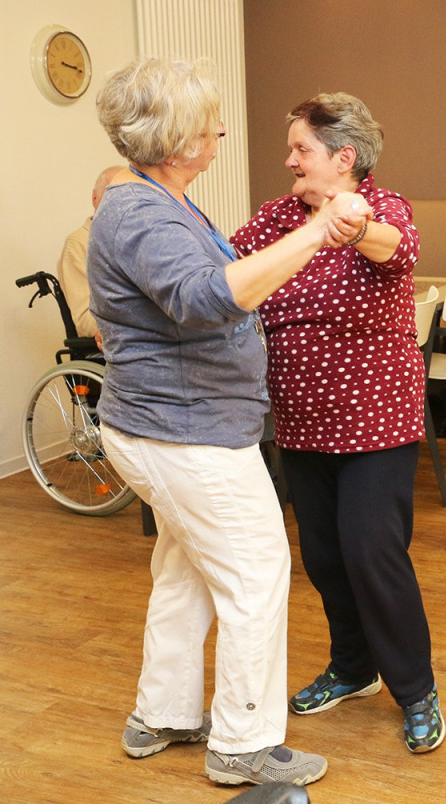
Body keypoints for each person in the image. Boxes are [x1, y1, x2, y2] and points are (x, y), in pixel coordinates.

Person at [90, 58, 340, 786]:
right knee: (256, 574)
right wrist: (319, 229)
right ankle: (243, 745)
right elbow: (206, 297)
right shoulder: (137, 209)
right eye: (209, 126)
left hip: (174, 428)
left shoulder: (159, 196)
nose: (222, 132)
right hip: (185, 435)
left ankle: (161, 716)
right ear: (174, 142)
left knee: (185, 570)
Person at [230, 93, 445, 755]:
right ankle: (354, 669)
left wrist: (349, 224)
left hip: (375, 418)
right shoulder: (276, 217)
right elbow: (225, 267)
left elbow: (395, 247)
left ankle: (416, 688)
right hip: (299, 422)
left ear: (343, 157)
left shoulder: (384, 208)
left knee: (371, 554)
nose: (289, 159)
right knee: (322, 557)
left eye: (301, 149)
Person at [58, 164, 123, 340]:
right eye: (112, 195)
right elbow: (84, 318)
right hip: (118, 339)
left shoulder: (139, 240)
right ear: (95, 198)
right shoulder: (78, 243)